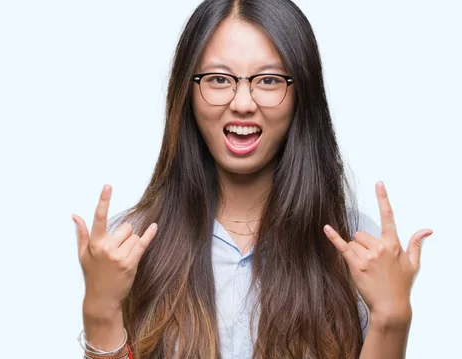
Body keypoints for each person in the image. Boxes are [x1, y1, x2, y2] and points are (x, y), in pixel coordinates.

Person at [71, 0, 432, 358]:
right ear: (187, 92)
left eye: (269, 80)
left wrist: (391, 318)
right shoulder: (127, 247)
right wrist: (100, 312)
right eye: (217, 79)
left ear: (301, 94)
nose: (243, 102)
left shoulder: (357, 247)